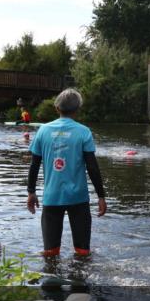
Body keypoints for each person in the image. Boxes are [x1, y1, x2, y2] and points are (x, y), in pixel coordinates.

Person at [27, 88, 107, 257]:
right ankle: (80, 280)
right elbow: (92, 167)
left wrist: (31, 192)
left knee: (50, 253)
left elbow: (34, 165)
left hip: (51, 197)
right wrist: (101, 196)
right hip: (78, 198)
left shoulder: (43, 131)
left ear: (57, 109)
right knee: (83, 252)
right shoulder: (83, 132)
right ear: (78, 109)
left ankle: (50, 279)